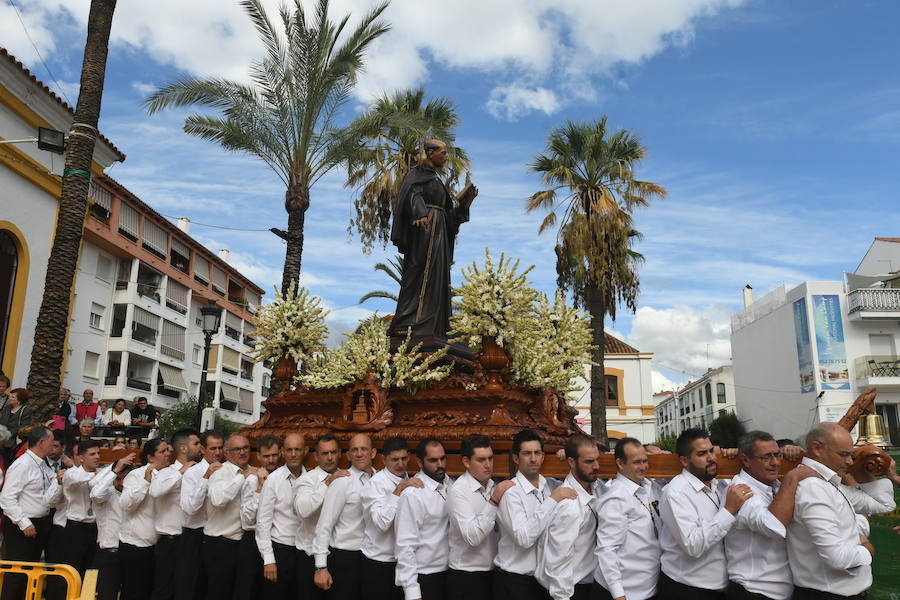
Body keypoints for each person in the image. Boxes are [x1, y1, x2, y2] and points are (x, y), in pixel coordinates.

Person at [787, 422, 897, 600]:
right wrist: (867, 551)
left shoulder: (827, 483)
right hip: (828, 594)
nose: (849, 461)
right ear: (817, 448)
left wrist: (866, 470)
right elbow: (837, 558)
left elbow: (883, 504)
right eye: (844, 455)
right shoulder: (813, 488)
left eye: (852, 455)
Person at [389, 139, 475, 341]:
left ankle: (435, 325)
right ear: (429, 153)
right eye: (443, 153)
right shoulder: (416, 175)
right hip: (425, 230)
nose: (446, 157)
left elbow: (449, 216)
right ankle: (409, 322)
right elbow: (412, 193)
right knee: (419, 270)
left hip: (440, 231)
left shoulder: (436, 179)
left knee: (437, 276)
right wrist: (419, 213)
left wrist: (465, 204)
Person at [658, 428, 753, 600]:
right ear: (684, 461)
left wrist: (732, 454)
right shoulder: (676, 493)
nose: (711, 458)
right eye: (702, 454)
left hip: (723, 587)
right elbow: (692, 546)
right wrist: (728, 511)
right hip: (686, 589)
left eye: (712, 451)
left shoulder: (720, 485)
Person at [724, 431, 817, 600]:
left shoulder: (774, 484)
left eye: (778, 455)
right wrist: (793, 476)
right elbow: (773, 526)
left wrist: (795, 453)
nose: (775, 463)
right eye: (766, 457)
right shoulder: (739, 490)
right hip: (754, 590)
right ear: (746, 460)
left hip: (782, 589)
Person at [494, 429, 577, 600]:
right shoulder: (511, 492)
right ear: (516, 458)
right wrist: (552, 500)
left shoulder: (548, 486)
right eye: (527, 453)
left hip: (542, 581)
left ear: (543, 456)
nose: (533, 459)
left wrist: (566, 453)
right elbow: (524, 539)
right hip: (514, 581)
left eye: (537, 453)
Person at [536, 434, 604, 600]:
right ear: (571, 462)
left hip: (592, 585)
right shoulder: (569, 506)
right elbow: (558, 559)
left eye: (597, 460)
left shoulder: (597, 487)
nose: (596, 466)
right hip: (571, 590)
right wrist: (562, 597)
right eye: (588, 461)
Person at [447, 434, 514, 600]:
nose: (488, 465)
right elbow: (473, 537)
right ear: (466, 462)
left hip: (494, 574)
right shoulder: (458, 491)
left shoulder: (493, 485)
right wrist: (493, 501)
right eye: (481, 459)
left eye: (490, 458)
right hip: (466, 577)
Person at [594, 437, 661, 600]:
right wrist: (618, 594)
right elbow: (607, 549)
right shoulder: (615, 498)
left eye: (645, 460)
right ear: (620, 464)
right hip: (624, 592)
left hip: (649, 587)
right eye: (637, 462)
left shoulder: (651, 487)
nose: (643, 467)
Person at [313, 433, 377, 599]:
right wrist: (321, 567)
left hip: (370, 559)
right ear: (348, 455)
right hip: (343, 560)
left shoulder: (380, 480)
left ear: (373, 453)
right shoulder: (342, 482)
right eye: (354, 450)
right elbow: (324, 525)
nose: (359, 453)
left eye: (364, 449)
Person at [0, 426, 60, 600]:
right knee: (17, 575)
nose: (54, 444)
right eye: (51, 441)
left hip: (40, 523)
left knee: (31, 573)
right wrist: (23, 522)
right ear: (41, 442)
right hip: (23, 527)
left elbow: (47, 491)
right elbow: (7, 498)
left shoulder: (42, 463)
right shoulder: (22, 464)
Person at [360, 436, 420, 600]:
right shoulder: (375, 484)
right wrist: (398, 490)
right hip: (378, 563)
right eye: (394, 459)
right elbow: (382, 523)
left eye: (404, 458)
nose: (400, 464)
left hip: (403, 562)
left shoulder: (410, 480)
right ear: (383, 459)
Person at [394, 439, 454, 600]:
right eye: (433, 460)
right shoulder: (413, 494)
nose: (440, 464)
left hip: (451, 575)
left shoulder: (452, 485)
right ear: (420, 462)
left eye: (443, 458)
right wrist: (412, 591)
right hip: (425, 577)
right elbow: (405, 545)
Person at [204, 434, 261, 600]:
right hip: (220, 544)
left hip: (243, 544)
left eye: (245, 448)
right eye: (237, 449)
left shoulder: (254, 473)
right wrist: (241, 477)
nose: (242, 452)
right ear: (227, 453)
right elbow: (218, 500)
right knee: (218, 593)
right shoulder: (219, 471)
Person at [149, 429, 202, 600]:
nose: (200, 447)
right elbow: (155, 491)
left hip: (194, 540)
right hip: (170, 543)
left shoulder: (202, 472)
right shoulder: (167, 472)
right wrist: (181, 473)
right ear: (184, 448)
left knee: (189, 591)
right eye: (196, 443)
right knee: (164, 591)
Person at [295, 433, 349, 600]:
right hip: (309, 558)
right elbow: (303, 510)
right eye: (325, 453)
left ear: (340, 453)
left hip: (338, 557)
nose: (330, 457)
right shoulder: (307, 480)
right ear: (316, 456)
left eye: (333, 452)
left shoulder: (347, 477)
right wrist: (327, 484)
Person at [176, 430, 225, 600]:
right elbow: (189, 508)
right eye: (213, 448)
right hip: (194, 536)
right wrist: (206, 478)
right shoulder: (193, 473)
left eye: (220, 448)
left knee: (214, 587)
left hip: (218, 536)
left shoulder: (227, 471)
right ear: (203, 449)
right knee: (189, 587)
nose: (218, 452)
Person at [120, 438, 172, 600]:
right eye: (162, 451)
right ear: (150, 457)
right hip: (136, 546)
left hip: (160, 545)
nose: (167, 454)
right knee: (134, 593)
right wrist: (146, 483)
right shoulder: (136, 475)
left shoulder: (171, 475)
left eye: (168, 450)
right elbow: (126, 504)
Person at [256, 433, 306, 600]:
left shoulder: (311, 479)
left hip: (304, 552)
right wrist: (269, 560)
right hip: (280, 551)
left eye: (297, 449)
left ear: (305, 451)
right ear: (283, 452)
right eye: (289, 450)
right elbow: (262, 522)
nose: (293, 454)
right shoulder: (273, 480)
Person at [236, 434, 279, 600]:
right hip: (251, 542)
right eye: (266, 456)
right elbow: (247, 519)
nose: (271, 460)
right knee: (247, 591)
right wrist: (260, 488)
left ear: (280, 454)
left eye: (274, 455)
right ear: (259, 456)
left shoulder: (282, 478)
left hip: (273, 540)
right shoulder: (252, 480)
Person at [91, 453, 137, 600]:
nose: (122, 483)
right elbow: (96, 494)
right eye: (118, 479)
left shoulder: (136, 494)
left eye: (126, 478)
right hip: (109, 554)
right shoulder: (106, 494)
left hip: (131, 552)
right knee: (107, 596)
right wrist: (115, 470)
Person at [62, 440, 104, 576]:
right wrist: (103, 474)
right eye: (92, 454)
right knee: (73, 572)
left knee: (91, 572)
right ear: (81, 458)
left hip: (96, 527)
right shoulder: (71, 473)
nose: (97, 456)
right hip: (76, 528)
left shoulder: (101, 473)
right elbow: (76, 480)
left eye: (98, 453)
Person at [0, 387, 33, 460]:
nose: (10, 398)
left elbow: (24, 426)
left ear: (19, 399)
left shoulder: (26, 409)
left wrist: (7, 434)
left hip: (13, 443)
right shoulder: (7, 408)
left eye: (13, 397)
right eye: (10, 396)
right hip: (2, 441)